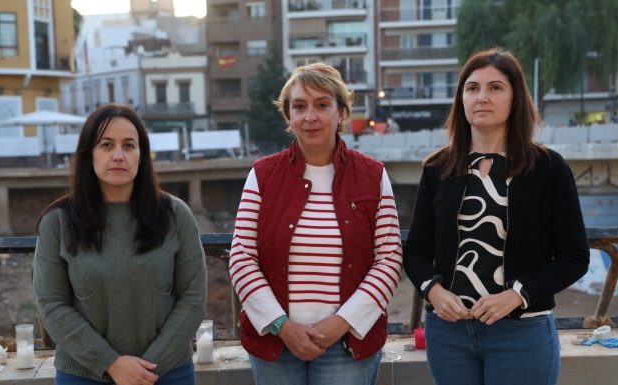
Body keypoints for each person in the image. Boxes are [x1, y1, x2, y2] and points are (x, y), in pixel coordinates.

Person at [403, 48, 589, 385]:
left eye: (496, 88)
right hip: (448, 335)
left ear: (516, 98)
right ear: (461, 99)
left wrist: (516, 294)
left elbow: (574, 256)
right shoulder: (438, 169)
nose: (482, 97)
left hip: (521, 331)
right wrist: (433, 291)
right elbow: (415, 251)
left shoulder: (548, 168)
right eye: (472, 88)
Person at [229, 63, 402, 385]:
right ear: (288, 116)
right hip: (276, 342)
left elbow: (389, 259)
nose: (310, 116)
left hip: (347, 343)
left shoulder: (373, 176)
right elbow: (241, 257)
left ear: (341, 113)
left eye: (322, 105)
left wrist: (342, 321)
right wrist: (282, 325)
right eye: (299, 107)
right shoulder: (263, 176)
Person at [33, 104, 207, 385]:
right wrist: (110, 363)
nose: (118, 155)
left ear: (142, 155)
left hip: (166, 374)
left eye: (129, 145)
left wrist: (146, 369)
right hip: (83, 374)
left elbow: (193, 298)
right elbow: (51, 304)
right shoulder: (57, 222)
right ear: (89, 154)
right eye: (106, 145)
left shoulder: (176, 215)